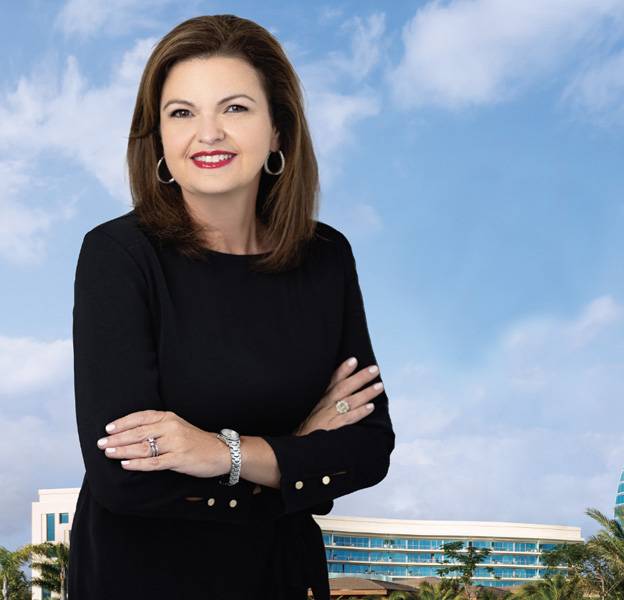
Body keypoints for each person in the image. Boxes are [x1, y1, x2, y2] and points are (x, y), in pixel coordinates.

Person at [66, 14, 395, 599]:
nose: (208, 133)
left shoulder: (326, 258)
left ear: (277, 131)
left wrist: (219, 453)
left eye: (235, 108)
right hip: (141, 579)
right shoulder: (117, 255)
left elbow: (368, 448)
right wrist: (297, 458)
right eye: (182, 112)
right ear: (160, 141)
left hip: (282, 577)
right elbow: (124, 480)